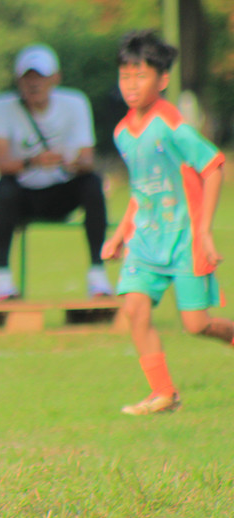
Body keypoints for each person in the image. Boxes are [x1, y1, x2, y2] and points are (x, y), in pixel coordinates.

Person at [102, 30, 234, 415]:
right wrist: (120, 234)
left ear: (162, 80)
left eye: (140, 76)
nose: (131, 84)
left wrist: (205, 231)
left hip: (184, 240)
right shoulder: (122, 133)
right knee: (135, 310)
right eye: (125, 76)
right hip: (145, 241)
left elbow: (213, 167)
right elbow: (142, 191)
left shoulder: (172, 125)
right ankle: (163, 393)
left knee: (196, 324)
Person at [0, 43, 111, 300]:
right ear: (18, 81)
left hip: (60, 189)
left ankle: (98, 274)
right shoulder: (0, 107)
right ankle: (1, 279)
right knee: (4, 190)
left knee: (93, 184)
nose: (34, 84)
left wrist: (68, 163)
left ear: (55, 79)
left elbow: (87, 158)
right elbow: (0, 161)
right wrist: (34, 161)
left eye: (40, 77)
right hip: (20, 195)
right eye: (28, 78)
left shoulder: (75, 103)